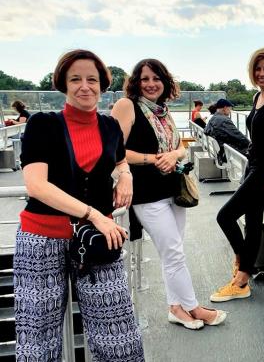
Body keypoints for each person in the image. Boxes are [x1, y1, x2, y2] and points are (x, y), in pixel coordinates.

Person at [14, 49, 144, 360]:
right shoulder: (42, 124)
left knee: (118, 334)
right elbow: (37, 185)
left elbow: (121, 161)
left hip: (98, 241)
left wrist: (125, 176)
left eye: (92, 79)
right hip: (43, 237)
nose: (84, 86)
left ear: (102, 85)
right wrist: (93, 214)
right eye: (75, 79)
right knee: (38, 338)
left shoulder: (110, 127)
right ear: (63, 84)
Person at [111, 58, 226, 329]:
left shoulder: (163, 111)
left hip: (172, 190)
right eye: (145, 79)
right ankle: (193, 307)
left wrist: (173, 154)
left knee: (171, 252)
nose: (151, 84)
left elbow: (180, 149)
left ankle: (176, 308)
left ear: (165, 82)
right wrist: (153, 158)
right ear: (136, 83)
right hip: (146, 193)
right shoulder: (127, 106)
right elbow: (114, 149)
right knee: (174, 252)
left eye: (156, 78)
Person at [211, 47, 264, 302]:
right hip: (253, 166)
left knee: (225, 216)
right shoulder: (258, 97)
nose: (261, 73)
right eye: (258, 69)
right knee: (253, 223)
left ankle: (242, 266)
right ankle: (244, 276)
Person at [204, 98, 250, 162]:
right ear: (225, 108)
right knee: (254, 151)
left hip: (219, 149)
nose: (230, 111)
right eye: (230, 108)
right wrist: (251, 144)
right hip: (225, 153)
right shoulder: (224, 120)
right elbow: (239, 137)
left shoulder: (213, 118)